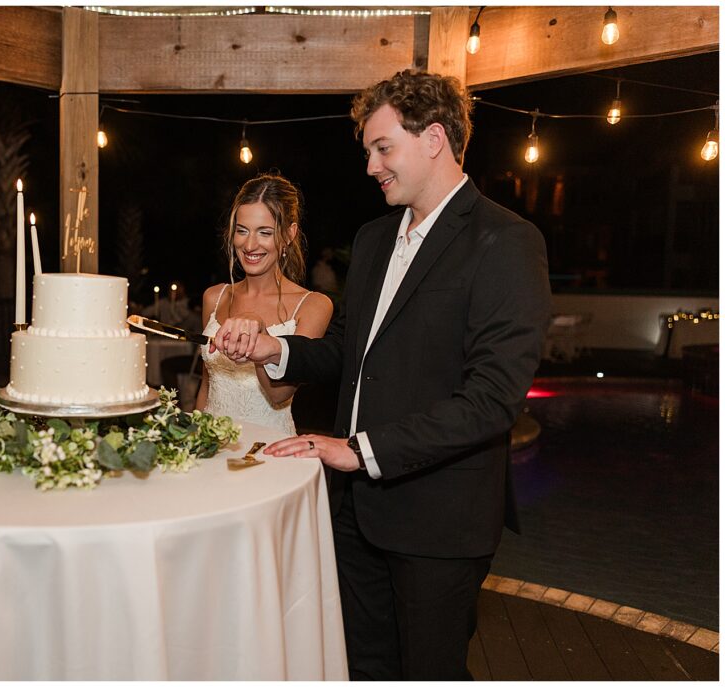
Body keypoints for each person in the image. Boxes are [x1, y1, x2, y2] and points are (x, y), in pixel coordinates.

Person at [213, 71, 551, 680]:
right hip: (357, 512)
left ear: (435, 139)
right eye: (368, 150)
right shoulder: (372, 240)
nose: (371, 166)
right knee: (360, 666)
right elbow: (347, 351)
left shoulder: (505, 241)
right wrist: (272, 349)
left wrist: (358, 450)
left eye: (382, 147)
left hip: (439, 518)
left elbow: (492, 400)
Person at [195, 173, 332, 435]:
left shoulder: (312, 306)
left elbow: (278, 394)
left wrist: (258, 333)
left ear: (288, 234)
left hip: (267, 452)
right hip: (211, 448)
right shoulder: (214, 297)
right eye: (242, 230)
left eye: (264, 232)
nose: (249, 245)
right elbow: (207, 385)